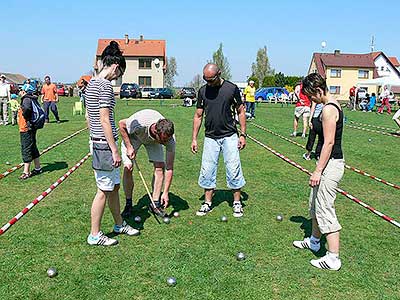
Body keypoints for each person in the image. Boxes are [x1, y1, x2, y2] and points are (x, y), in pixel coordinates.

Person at [85, 41, 139, 246]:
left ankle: (119, 224)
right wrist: (114, 149)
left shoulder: (91, 83)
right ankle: (94, 234)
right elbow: (105, 118)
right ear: (116, 67)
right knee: (103, 191)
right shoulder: (104, 85)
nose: (118, 79)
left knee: (115, 187)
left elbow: (89, 118)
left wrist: (95, 138)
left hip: (98, 142)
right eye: (120, 74)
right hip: (105, 146)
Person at [293, 73, 345, 271]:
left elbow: (329, 142)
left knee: (325, 208)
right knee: (315, 205)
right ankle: (315, 240)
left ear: (319, 91)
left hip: (330, 165)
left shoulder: (329, 110)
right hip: (326, 164)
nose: (311, 100)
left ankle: (333, 257)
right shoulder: (328, 105)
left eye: (311, 96)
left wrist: (317, 170)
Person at [191, 63, 246, 218]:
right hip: (210, 137)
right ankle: (207, 203)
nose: (209, 83)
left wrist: (243, 134)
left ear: (219, 74)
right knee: (207, 170)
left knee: (233, 169)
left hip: (229, 135)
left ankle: (236, 203)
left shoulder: (231, 89)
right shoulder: (203, 91)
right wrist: (194, 138)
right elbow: (198, 115)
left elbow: (241, 111)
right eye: (205, 79)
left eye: (211, 79)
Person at [119, 110, 176, 218]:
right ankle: (128, 204)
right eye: (163, 140)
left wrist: (166, 192)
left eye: (167, 140)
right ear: (155, 131)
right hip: (134, 136)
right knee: (128, 168)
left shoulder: (168, 139)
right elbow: (121, 124)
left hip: (153, 142)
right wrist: (129, 146)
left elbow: (169, 167)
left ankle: (155, 204)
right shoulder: (140, 123)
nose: (165, 143)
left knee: (160, 167)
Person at [17, 90, 43, 180]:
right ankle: (38, 168)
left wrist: (24, 115)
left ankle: (26, 172)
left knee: (26, 148)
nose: (19, 93)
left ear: (23, 91)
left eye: (20, 91)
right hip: (31, 127)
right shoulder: (32, 98)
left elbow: (27, 109)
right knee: (33, 147)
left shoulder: (26, 99)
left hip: (26, 128)